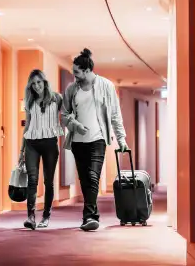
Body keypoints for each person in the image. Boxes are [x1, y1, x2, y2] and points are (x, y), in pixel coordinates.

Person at [61, 48, 129, 231]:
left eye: (76, 72)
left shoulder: (106, 86)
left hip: (98, 139)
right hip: (77, 141)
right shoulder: (71, 89)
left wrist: (121, 139)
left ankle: (91, 216)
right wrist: (75, 125)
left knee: (93, 176)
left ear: (86, 70)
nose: (74, 75)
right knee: (85, 179)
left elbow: (115, 114)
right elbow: (64, 114)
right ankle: (89, 215)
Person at [19, 69, 64, 230]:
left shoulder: (57, 98)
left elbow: (66, 117)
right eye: (33, 84)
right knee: (32, 180)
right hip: (32, 144)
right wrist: (21, 151)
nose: (37, 86)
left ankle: (46, 216)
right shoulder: (29, 101)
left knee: (48, 182)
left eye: (39, 82)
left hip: (50, 144)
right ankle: (30, 217)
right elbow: (27, 126)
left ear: (44, 82)